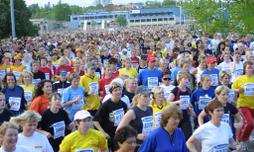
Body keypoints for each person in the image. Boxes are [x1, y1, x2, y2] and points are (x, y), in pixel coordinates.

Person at [93, 82, 128, 150]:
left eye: (120, 90)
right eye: (115, 90)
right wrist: (103, 133)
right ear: (111, 92)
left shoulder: (123, 104)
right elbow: (95, 121)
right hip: (109, 135)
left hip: (119, 134)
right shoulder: (105, 105)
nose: (118, 92)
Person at [232, 61, 254, 150]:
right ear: (245, 68)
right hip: (243, 105)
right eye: (248, 67)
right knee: (250, 123)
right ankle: (241, 140)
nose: (250, 69)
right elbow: (232, 88)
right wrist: (238, 91)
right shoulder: (240, 79)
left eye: (252, 67)